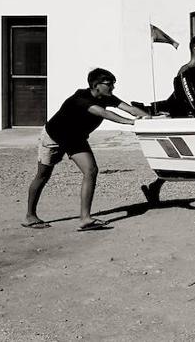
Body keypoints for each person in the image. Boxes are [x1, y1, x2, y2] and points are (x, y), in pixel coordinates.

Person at [24, 67, 150, 231]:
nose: (112, 87)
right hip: (54, 137)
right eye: (109, 84)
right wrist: (130, 122)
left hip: (75, 138)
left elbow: (131, 109)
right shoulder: (81, 98)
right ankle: (30, 216)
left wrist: (150, 119)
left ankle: (85, 219)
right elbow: (103, 113)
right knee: (42, 175)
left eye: (113, 84)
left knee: (91, 170)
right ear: (96, 85)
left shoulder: (107, 97)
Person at [141, 35, 195, 204]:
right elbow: (188, 98)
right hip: (188, 121)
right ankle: (157, 186)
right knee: (185, 161)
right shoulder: (184, 71)